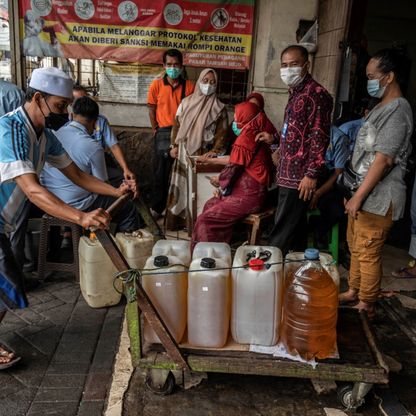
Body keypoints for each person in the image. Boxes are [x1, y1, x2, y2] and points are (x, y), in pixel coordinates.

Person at [0, 67, 133, 368]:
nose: (64, 113)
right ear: (38, 98)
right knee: (6, 282)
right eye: (60, 106)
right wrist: (81, 216)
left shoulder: (46, 136)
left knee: (8, 281)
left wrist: (116, 192)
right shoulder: (10, 130)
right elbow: (33, 191)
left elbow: (78, 176)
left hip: (3, 221)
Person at [339, 48, 413, 317]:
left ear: (389, 76)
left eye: (372, 76)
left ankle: (367, 302)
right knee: (355, 246)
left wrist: (358, 196)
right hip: (362, 191)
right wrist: (352, 192)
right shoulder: (380, 107)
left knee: (368, 250)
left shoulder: (398, 110)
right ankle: (354, 290)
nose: (369, 81)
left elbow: (383, 159)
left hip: (379, 196)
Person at [257, 44, 333, 255]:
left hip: (299, 177)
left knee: (281, 229)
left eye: (294, 64)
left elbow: (319, 136)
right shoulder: (296, 93)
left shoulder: (317, 94)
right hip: (287, 172)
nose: (288, 69)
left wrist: (311, 174)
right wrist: (277, 145)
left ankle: (267, 271)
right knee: (295, 230)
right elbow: (294, 132)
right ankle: (294, 272)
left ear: (306, 65)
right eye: (284, 65)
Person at [41, 96, 141, 232]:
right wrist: (117, 191)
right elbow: (100, 184)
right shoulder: (93, 147)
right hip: (77, 205)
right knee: (128, 208)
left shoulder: (52, 135)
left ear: (71, 115)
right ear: (95, 122)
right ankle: (123, 246)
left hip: (49, 200)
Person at [191, 101, 274, 248]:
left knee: (205, 220)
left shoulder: (246, 138)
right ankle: (222, 246)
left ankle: (207, 258)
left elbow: (233, 167)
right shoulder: (255, 133)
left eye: (237, 117)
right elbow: (238, 164)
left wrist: (220, 181)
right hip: (249, 194)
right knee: (210, 204)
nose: (234, 121)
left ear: (245, 117)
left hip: (248, 197)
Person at [165, 68, 228, 231]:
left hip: (204, 154)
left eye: (213, 82)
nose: (208, 85)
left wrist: (215, 152)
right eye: (205, 81)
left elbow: (223, 133)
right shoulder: (186, 103)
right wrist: (174, 145)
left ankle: (196, 224)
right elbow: (176, 125)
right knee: (182, 186)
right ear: (199, 82)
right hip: (184, 152)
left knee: (199, 191)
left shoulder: (220, 108)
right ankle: (178, 221)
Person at [147, 49, 194, 215]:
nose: (173, 68)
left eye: (176, 64)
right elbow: (151, 108)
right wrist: (155, 129)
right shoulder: (156, 85)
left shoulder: (189, 87)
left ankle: (176, 208)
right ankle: (157, 207)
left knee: (180, 172)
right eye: (169, 64)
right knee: (160, 172)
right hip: (163, 132)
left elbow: (191, 113)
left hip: (183, 132)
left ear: (181, 66)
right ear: (164, 65)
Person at [72, 85, 135, 185]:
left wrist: (125, 168)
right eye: (78, 101)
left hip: (100, 161)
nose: (83, 104)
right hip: (78, 165)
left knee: (120, 178)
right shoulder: (67, 123)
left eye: (85, 99)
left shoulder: (100, 121)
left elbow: (114, 146)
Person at [309, 125, 350, 242]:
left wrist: (317, 194)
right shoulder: (303, 131)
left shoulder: (339, 138)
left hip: (329, 181)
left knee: (336, 210)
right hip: (307, 180)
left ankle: (318, 235)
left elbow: (338, 173)